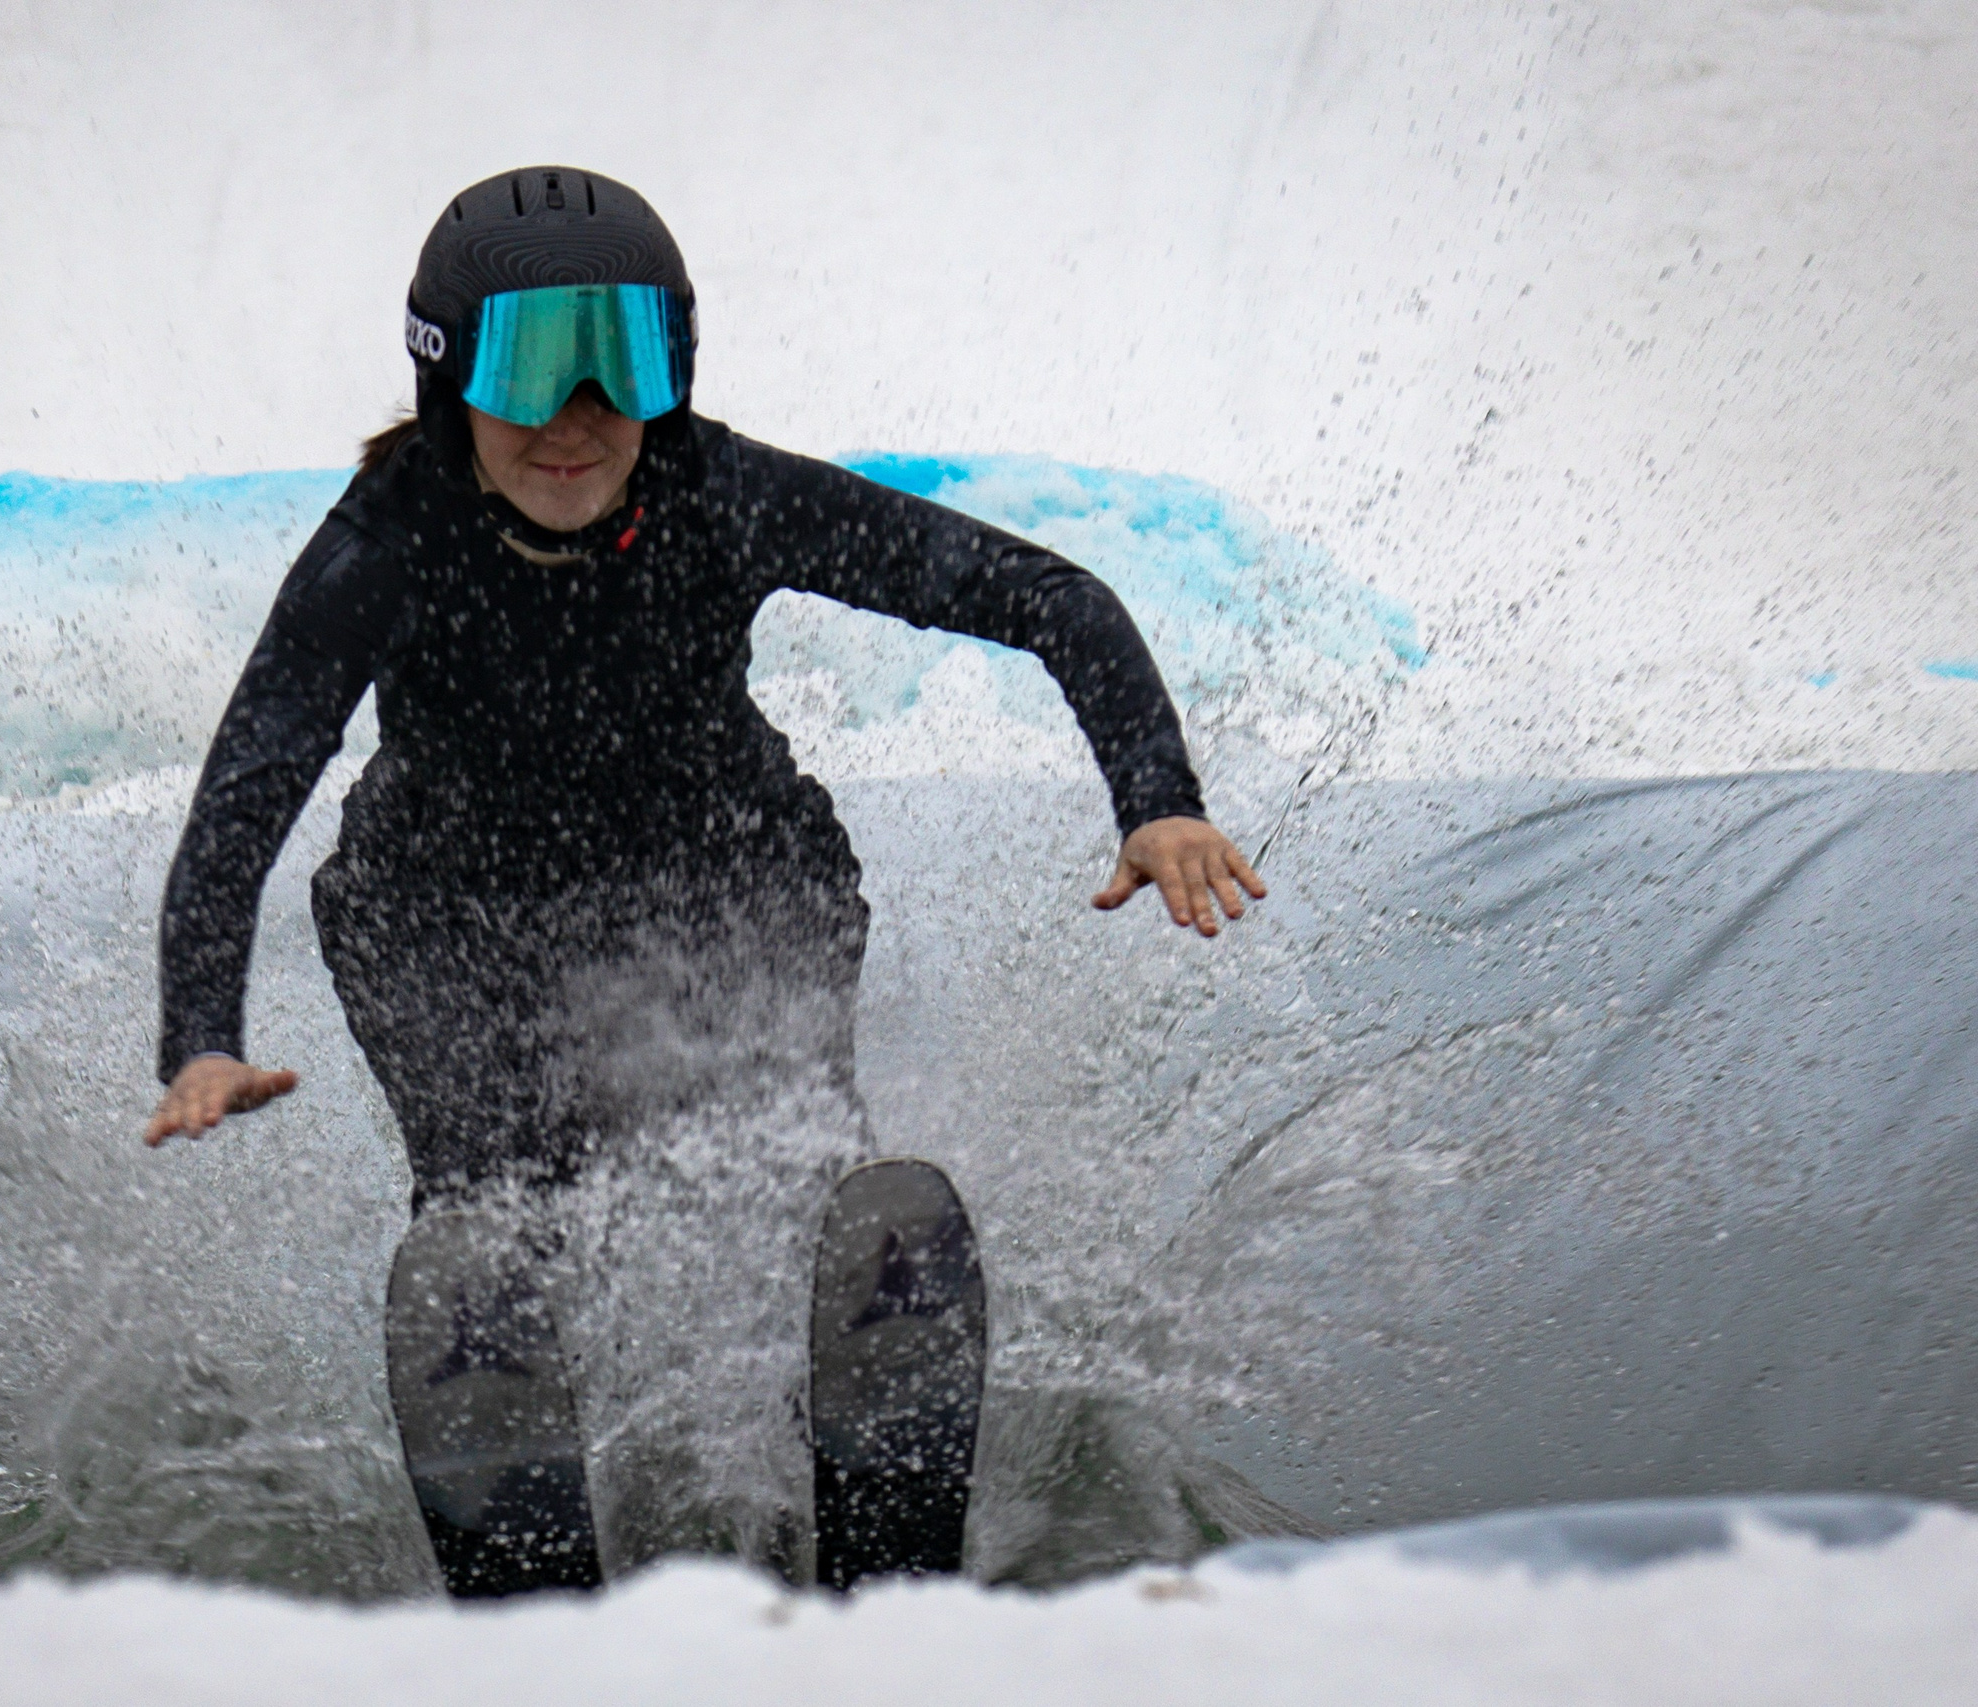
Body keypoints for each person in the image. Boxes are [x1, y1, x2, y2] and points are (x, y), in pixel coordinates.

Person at [143, 166, 1263, 1579]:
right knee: (495, 1239)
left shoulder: (717, 491)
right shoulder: (386, 542)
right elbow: (246, 793)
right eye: (529, 367)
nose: (575, 416)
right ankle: (532, 1568)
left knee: (819, 1201)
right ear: (445, 378)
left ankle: (849, 1507)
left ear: (675, 362)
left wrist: (1156, 802)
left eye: (621, 363)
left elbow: (1051, 597)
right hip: (444, 926)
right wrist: (201, 1036)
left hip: (733, 886)